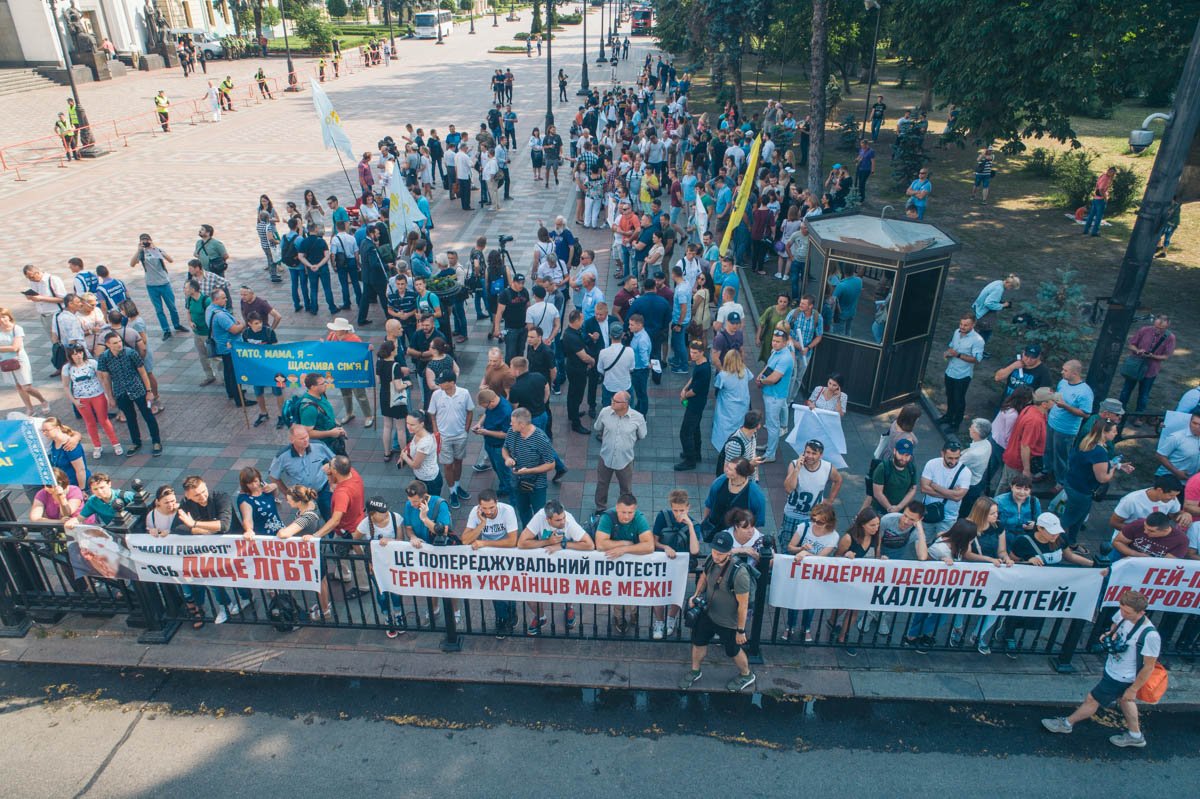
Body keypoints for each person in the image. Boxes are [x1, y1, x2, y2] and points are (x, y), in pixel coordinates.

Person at [1041, 590, 1160, 748]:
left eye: (1128, 612)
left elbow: (1149, 667)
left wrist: (1134, 688)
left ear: (1142, 612)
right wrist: (1110, 634)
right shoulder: (1123, 615)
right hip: (1114, 668)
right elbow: (1115, 625)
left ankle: (1067, 724)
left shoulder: (1150, 636)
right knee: (1125, 700)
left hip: (1121, 676)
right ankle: (1135, 735)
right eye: (1122, 609)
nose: (1123, 614)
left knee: (1092, 699)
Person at [679, 530, 757, 692]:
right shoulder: (711, 559)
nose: (716, 555)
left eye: (721, 553)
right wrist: (696, 595)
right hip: (708, 613)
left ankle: (746, 674)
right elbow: (704, 577)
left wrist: (740, 631)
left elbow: (743, 605)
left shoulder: (739, 573)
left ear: (729, 552)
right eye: (714, 551)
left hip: (728, 621)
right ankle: (695, 670)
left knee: (733, 650)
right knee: (698, 641)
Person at [595, 494, 656, 635]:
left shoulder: (639, 518)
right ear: (617, 508)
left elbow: (649, 546)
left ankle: (633, 613)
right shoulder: (608, 517)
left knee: (633, 589)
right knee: (617, 589)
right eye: (623, 512)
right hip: (614, 564)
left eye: (630, 513)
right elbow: (600, 544)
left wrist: (624, 549)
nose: (627, 516)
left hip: (633, 564)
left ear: (635, 510)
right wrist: (625, 543)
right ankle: (619, 617)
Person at [95, 332, 160, 457]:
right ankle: (136, 442)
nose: (119, 344)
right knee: (130, 418)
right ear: (108, 344)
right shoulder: (104, 357)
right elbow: (106, 378)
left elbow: (143, 372)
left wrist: (149, 391)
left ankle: (156, 441)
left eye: (119, 341)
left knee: (148, 416)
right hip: (121, 392)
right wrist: (110, 397)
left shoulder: (131, 353)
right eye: (115, 343)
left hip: (138, 389)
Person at [651, 490, 702, 639]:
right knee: (658, 592)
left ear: (688, 508)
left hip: (680, 566)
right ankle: (659, 621)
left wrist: (690, 527)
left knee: (676, 593)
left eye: (682, 510)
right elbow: (654, 541)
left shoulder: (694, 524)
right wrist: (665, 547)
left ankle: (671, 618)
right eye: (675, 510)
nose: (678, 514)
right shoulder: (663, 516)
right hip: (662, 563)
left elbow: (695, 550)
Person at [781, 440, 843, 550]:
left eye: (814, 453)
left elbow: (838, 480)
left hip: (813, 517)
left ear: (821, 455)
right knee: (787, 546)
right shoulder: (794, 464)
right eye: (807, 452)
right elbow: (788, 489)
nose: (810, 456)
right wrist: (797, 470)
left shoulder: (827, 468)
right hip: (792, 514)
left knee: (809, 548)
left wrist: (830, 500)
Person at [592, 392, 647, 514]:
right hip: (606, 456)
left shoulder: (638, 418)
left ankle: (625, 509)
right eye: (612, 399)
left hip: (625, 460)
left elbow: (642, 435)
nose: (612, 402)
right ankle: (600, 508)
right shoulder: (605, 412)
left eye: (616, 401)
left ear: (625, 404)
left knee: (626, 488)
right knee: (602, 484)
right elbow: (597, 427)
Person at [503, 407, 556, 527]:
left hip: (537, 485)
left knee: (540, 514)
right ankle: (528, 533)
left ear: (522, 424)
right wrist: (507, 458)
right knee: (523, 511)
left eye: (513, 422)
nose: (510, 424)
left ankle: (539, 536)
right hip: (517, 481)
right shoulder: (512, 432)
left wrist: (529, 471)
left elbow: (551, 464)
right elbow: (505, 448)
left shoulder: (541, 439)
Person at [268, 425, 335, 520]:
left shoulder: (319, 446)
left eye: (306, 436)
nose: (306, 440)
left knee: (329, 514)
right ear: (292, 440)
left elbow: (334, 461)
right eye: (301, 438)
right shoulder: (282, 456)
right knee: (308, 520)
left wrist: (333, 482)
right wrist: (287, 494)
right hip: (302, 495)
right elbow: (274, 477)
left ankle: (331, 534)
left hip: (323, 489)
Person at [1046, 360, 1094, 490]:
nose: (1062, 372)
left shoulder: (1085, 392)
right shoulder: (1063, 382)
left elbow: (1085, 413)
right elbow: (1059, 397)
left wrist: (1066, 407)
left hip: (1065, 430)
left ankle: (1061, 481)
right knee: (1048, 450)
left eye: (1065, 370)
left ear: (1075, 373)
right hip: (1052, 422)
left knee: (1061, 456)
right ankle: (1046, 470)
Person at [428, 375, 475, 509]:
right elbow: (432, 413)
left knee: (458, 462)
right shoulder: (437, 395)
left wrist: (465, 430)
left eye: (442, 382)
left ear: (452, 382)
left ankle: (457, 485)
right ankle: (452, 491)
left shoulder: (464, 393)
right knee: (448, 465)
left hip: (460, 436)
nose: (439, 385)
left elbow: (470, 411)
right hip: (444, 437)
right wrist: (436, 431)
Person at [128, 234, 186, 340]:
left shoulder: (157, 250)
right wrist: (138, 250)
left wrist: (154, 248)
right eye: (143, 240)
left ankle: (177, 325)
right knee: (159, 310)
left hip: (164, 283)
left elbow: (170, 260)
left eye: (147, 240)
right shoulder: (141, 254)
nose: (145, 242)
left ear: (150, 240)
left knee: (172, 307)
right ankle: (166, 330)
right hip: (151, 285)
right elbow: (132, 264)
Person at [1118, 314, 1175, 418]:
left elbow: (1166, 356)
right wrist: (1138, 350)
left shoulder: (1170, 337)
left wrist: (1153, 356)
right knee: (1126, 390)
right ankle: (1118, 413)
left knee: (1144, 394)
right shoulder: (1144, 330)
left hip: (1151, 369)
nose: (1158, 330)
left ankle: (1139, 416)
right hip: (1135, 366)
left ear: (1167, 326)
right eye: (1156, 327)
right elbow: (1131, 344)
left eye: (1161, 328)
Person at [998, 386, 1054, 491]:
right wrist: (1026, 470)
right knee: (1013, 491)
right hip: (1018, 463)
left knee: (1005, 486)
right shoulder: (1035, 421)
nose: (1055, 402)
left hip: (1013, 457)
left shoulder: (1030, 408)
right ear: (1044, 404)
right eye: (1053, 400)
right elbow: (1025, 446)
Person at [938, 312, 984, 431]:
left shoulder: (978, 340)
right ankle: (948, 416)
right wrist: (948, 353)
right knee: (950, 396)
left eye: (966, 325)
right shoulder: (956, 332)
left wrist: (958, 355)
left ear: (973, 325)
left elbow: (977, 359)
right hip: (950, 371)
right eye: (961, 324)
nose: (962, 327)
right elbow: (952, 346)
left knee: (959, 400)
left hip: (963, 375)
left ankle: (955, 424)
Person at [0, 307, 51, 416]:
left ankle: (43, 401)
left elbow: (15, 347)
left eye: (3, 316)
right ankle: (29, 408)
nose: (2, 320)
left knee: (26, 386)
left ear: (9, 317)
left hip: (19, 359)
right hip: (4, 360)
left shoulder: (16, 329)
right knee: (18, 386)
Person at [702, 459, 767, 538]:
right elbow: (709, 503)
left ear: (740, 473)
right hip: (714, 529)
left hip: (737, 535)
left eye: (730, 469)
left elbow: (758, 521)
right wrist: (704, 523)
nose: (726, 470)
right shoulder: (720, 481)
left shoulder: (755, 494)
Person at [756, 329, 794, 463]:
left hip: (775, 397)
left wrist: (761, 381)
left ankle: (770, 454)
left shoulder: (785, 358)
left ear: (785, 343)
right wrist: (761, 375)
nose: (774, 344)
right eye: (773, 340)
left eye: (778, 342)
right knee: (772, 424)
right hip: (770, 394)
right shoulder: (776, 352)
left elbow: (774, 378)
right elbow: (768, 366)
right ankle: (769, 447)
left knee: (773, 426)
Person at [920, 441, 972, 538]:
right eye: (950, 458)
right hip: (928, 510)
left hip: (948, 517)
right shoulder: (932, 464)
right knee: (923, 540)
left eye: (957, 458)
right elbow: (924, 488)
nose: (953, 462)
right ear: (942, 453)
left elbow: (958, 497)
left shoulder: (965, 472)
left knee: (942, 544)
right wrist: (951, 494)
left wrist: (935, 486)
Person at [675, 339, 712, 471]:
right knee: (695, 429)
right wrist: (684, 388)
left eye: (696, 353)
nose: (692, 355)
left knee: (685, 432)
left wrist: (685, 394)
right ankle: (696, 454)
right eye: (691, 352)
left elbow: (695, 391)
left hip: (696, 404)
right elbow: (693, 379)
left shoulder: (704, 370)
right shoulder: (701, 363)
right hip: (696, 403)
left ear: (702, 352)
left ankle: (690, 460)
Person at [711, 349, 751, 456]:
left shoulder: (723, 375)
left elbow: (717, 386)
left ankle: (724, 450)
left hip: (727, 407)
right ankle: (737, 449)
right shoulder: (745, 371)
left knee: (724, 428)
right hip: (742, 406)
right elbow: (750, 378)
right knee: (738, 428)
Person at [870, 438, 918, 514]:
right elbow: (878, 493)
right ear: (895, 451)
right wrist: (890, 508)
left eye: (907, 455)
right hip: (880, 512)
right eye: (901, 454)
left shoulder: (911, 468)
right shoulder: (883, 468)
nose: (903, 458)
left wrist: (899, 507)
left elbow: (912, 489)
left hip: (901, 512)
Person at [236, 466, 283, 538]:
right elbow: (247, 519)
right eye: (250, 483)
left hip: (279, 528)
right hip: (264, 536)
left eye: (255, 481)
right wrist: (249, 530)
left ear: (259, 479)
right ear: (244, 484)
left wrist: (275, 486)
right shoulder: (244, 499)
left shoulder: (264, 486)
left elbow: (275, 495)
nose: (254, 485)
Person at [971, 274, 1019, 342]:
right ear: (1009, 284)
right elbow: (988, 303)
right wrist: (1003, 305)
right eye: (1011, 287)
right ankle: (978, 348)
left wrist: (999, 302)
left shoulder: (998, 282)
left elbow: (990, 297)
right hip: (983, 312)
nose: (1010, 289)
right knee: (985, 331)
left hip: (978, 307)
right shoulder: (999, 289)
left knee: (977, 329)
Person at [1082, 166, 1117, 237]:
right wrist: (1105, 198)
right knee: (1098, 217)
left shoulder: (1102, 175)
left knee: (1091, 215)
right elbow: (1101, 189)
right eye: (1111, 172)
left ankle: (1086, 230)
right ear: (1109, 171)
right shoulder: (1106, 179)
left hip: (1095, 198)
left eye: (1112, 172)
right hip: (1100, 199)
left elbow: (1097, 186)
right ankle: (1094, 232)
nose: (1111, 173)